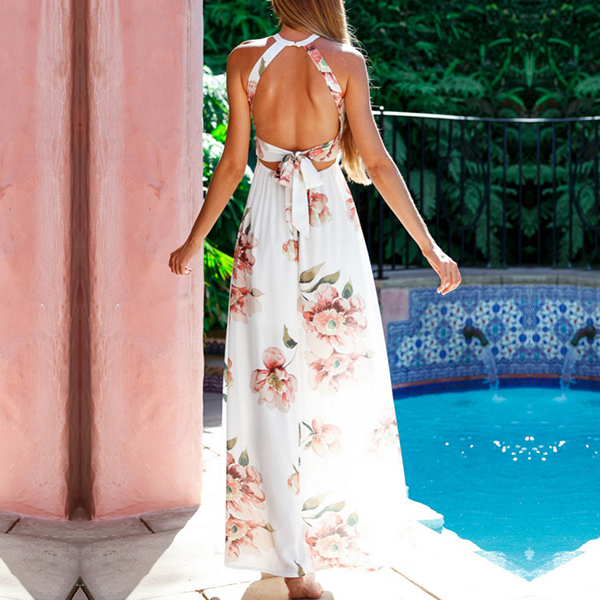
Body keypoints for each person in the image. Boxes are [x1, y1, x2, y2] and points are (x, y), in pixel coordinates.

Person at [170, 1, 461, 597]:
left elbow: (232, 164)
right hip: (331, 232)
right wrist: (430, 247)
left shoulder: (245, 60)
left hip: (266, 231)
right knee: (336, 378)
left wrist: (195, 240)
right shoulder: (345, 61)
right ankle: (314, 554)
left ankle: (284, 555)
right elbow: (376, 163)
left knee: (268, 386)